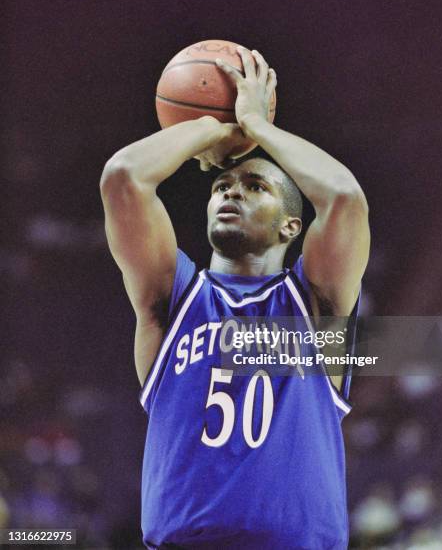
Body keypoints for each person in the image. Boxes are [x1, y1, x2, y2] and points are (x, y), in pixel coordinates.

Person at [99, 46, 370, 549]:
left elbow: (344, 198)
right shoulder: (172, 299)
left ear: (292, 224)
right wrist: (215, 130)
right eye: (221, 184)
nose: (231, 192)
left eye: (254, 185)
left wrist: (257, 126)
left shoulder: (314, 305)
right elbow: (123, 177)